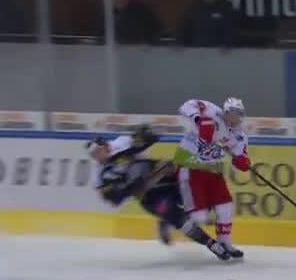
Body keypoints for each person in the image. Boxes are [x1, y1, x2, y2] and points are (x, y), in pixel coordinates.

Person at [87, 126, 231, 261]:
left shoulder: (122, 142)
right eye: (94, 155)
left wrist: (144, 137)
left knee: (201, 192)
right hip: (148, 195)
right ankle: (211, 244)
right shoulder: (99, 176)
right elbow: (113, 200)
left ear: (106, 146)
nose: (98, 156)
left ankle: (167, 220)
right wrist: (128, 189)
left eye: (99, 151)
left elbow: (151, 135)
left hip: (162, 174)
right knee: (177, 218)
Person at [174, 97, 249, 259]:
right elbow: (186, 105)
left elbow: (239, 159)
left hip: (213, 169)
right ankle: (181, 219)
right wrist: (198, 119)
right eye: (233, 113)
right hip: (190, 166)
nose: (236, 117)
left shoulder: (239, 135)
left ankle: (225, 242)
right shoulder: (211, 112)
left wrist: (241, 161)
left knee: (225, 206)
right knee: (200, 216)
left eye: (239, 114)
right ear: (225, 112)